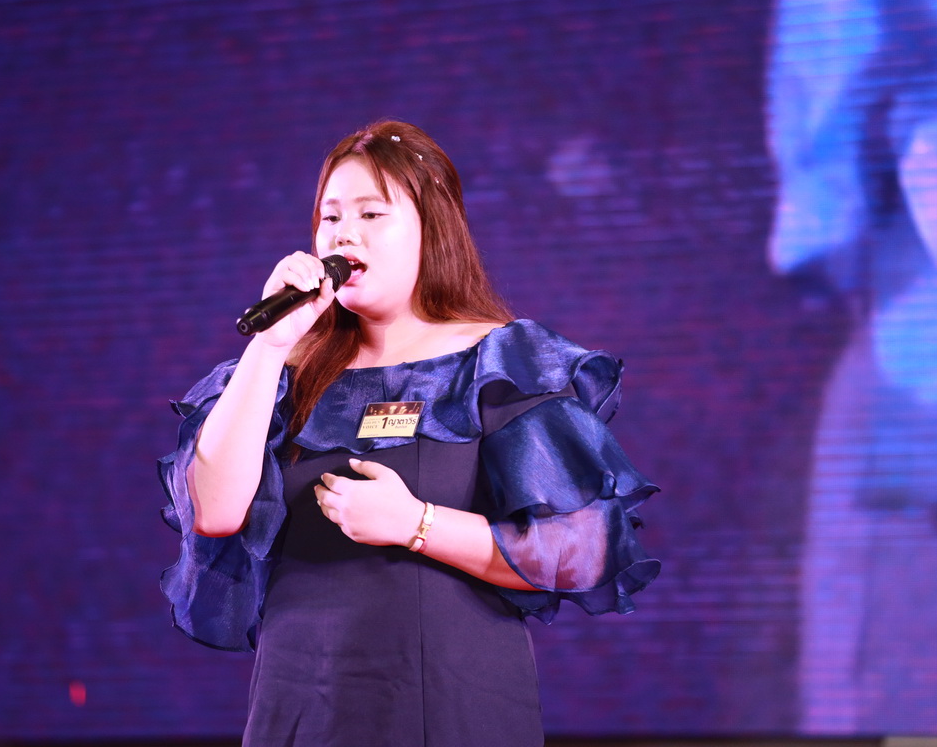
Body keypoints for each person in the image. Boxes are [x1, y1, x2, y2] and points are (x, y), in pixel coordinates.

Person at [158, 120, 659, 746]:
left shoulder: (500, 362)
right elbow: (214, 512)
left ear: (432, 228)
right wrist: (271, 345)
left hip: (450, 700)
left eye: (371, 214)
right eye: (330, 217)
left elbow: (579, 549)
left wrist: (416, 524)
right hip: (303, 700)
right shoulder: (279, 371)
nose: (344, 234)